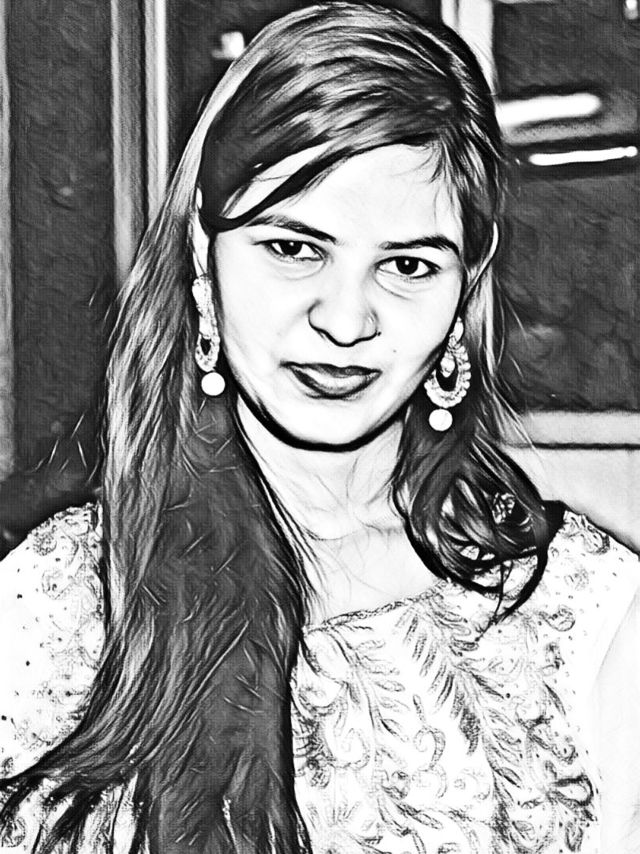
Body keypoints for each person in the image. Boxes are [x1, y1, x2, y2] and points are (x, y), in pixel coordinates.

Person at [0, 3, 638, 852]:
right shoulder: (57, 601)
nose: (345, 319)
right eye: (294, 248)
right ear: (203, 260)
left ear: (464, 293)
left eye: (406, 265)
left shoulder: (590, 612)